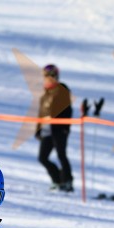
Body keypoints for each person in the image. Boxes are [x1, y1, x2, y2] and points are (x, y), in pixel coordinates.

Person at [35, 64, 74, 192]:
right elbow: (41, 115)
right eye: (44, 77)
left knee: (61, 155)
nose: (45, 79)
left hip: (59, 130)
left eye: (48, 76)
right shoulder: (44, 96)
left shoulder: (62, 90)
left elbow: (67, 110)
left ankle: (67, 181)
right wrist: (38, 130)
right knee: (42, 157)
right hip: (47, 131)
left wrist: (65, 127)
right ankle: (57, 180)